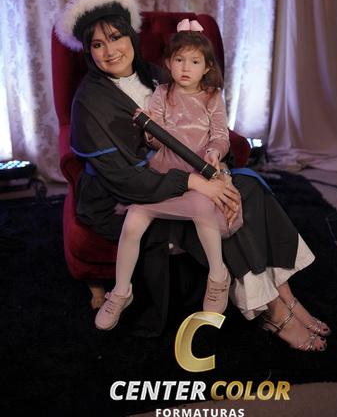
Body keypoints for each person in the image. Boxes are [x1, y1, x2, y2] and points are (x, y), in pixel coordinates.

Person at [56, 0, 330, 352]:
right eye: (98, 44)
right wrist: (198, 183)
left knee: (248, 187)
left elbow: (201, 127)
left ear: (131, 36)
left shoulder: (156, 75)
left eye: (116, 37)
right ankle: (273, 311)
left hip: (178, 175)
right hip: (124, 196)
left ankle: (286, 295)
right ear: (89, 52)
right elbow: (123, 179)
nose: (110, 51)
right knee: (221, 205)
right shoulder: (89, 102)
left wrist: (218, 168)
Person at [95, 21, 244, 330]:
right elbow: (155, 141)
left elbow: (221, 135)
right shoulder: (162, 93)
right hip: (165, 172)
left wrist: (214, 152)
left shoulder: (212, 97)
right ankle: (121, 292)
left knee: (202, 206)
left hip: (199, 172)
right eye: (179, 60)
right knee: (134, 218)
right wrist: (150, 130)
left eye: (194, 61)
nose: (186, 68)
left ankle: (218, 275)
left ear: (206, 67)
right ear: (168, 63)